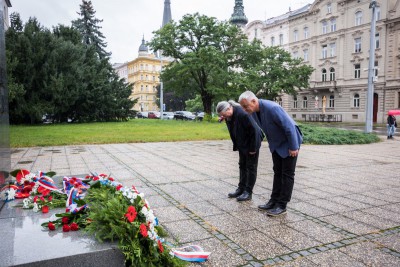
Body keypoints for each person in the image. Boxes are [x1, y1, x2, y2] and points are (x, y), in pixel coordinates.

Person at [238, 91, 303, 216]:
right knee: (277, 173)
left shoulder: (272, 108)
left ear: (253, 101)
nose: (245, 109)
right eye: (243, 107)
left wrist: (294, 146)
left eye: (246, 106)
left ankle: (282, 205)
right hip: (276, 145)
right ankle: (273, 201)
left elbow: (289, 127)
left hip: (290, 143)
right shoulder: (255, 111)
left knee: (287, 174)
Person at [216, 100, 263, 201]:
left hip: (252, 143)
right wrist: (226, 118)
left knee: (251, 167)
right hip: (243, 144)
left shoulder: (243, 114)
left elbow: (254, 130)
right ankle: (241, 188)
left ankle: (248, 192)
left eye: (225, 114)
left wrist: (253, 148)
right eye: (223, 116)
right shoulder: (230, 114)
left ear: (229, 108)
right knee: (242, 165)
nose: (225, 117)